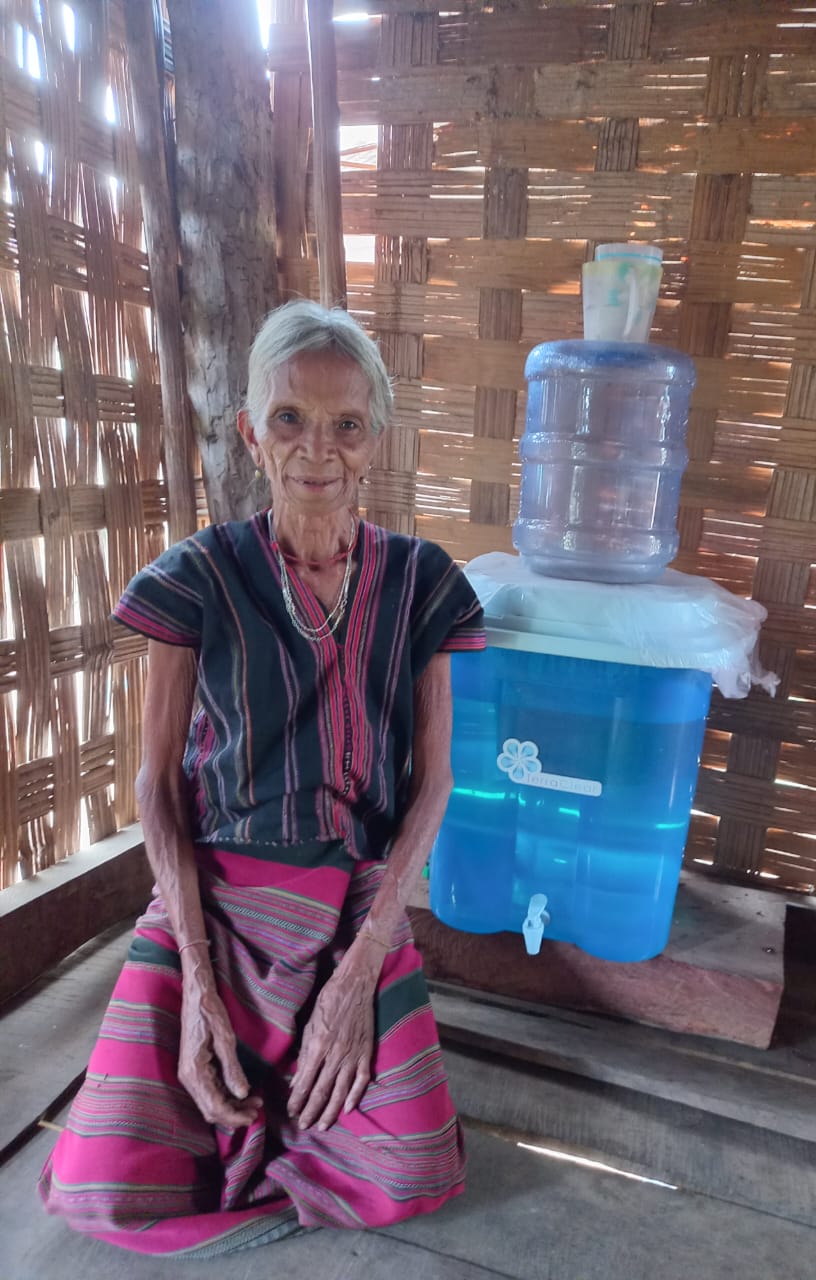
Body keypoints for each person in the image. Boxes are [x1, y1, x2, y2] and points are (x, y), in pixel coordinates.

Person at [39, 301, 485, 1257]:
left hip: (351, 911)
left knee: (409, 1170)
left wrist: (361, 970)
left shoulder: (423, 583)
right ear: (249, 431)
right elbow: (158, 791)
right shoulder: (197, 576)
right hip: (212, 898)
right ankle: (253, 1096)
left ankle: (302, 1109)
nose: (317, 449)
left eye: (347, 424)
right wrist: (196, 983)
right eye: (289, 418)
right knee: (110, 1182)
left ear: (376, 441)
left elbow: (435, 786)